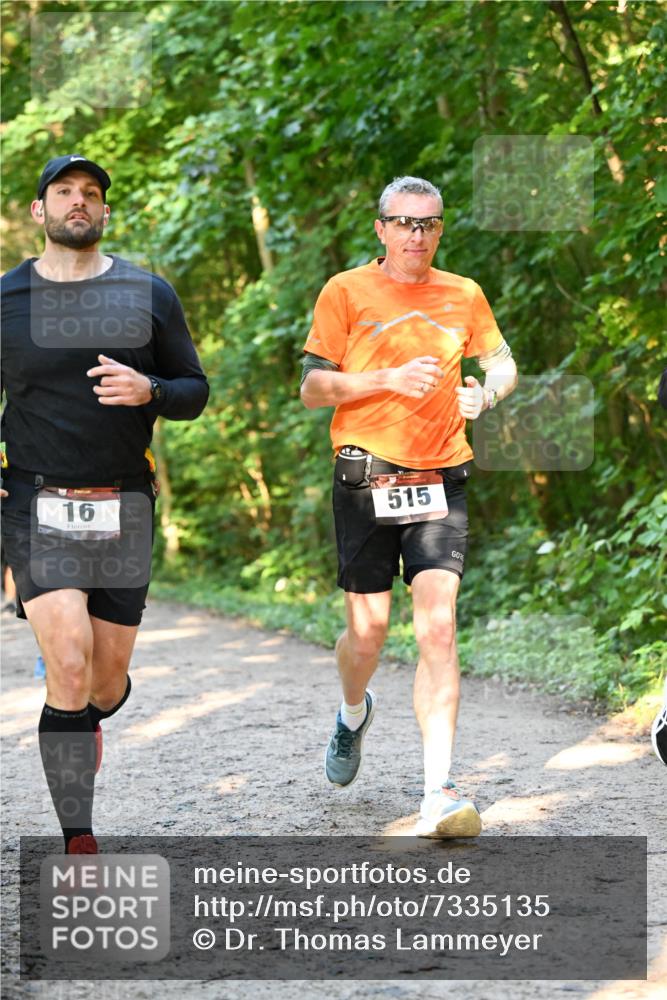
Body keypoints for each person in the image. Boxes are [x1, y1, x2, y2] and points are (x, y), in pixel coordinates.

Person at [1, 155, 209, 853]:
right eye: (63, 192)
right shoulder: (7, 300)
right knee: (66, 662)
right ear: (40, 212)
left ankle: (90, 713)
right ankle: (78, 840)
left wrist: (151, 390)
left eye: (91, 193)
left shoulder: (147, 293)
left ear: (105, 212)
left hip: (124, 502)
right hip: (34, 503)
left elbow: (194, 390)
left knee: (103, 683)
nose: (78, 201)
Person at [301, 176, 518, 838]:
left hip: (441, 477)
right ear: (381, 228)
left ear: (440, 230)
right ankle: (351, 711)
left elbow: (502, 361)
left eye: (427, 224)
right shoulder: (345, 291)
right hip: (365, 476)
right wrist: (383, 379)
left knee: (438, 628)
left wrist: (489, 394)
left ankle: (437, 791)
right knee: (366, 635)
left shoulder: (463, 294)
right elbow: (312, 388)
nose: (415, 236)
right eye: (403, 223)